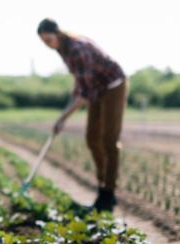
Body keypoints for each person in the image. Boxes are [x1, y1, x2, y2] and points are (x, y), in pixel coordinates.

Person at [37, 18, 126, 212]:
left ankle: (108, 194)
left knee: (109, 140)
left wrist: (63, 118)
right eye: (44, 42)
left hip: (113, 86)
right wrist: (63, 114)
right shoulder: (63, 50)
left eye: (49, 39)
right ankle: (102, 183)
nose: (47, 45)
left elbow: (84, 95)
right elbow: (80, 85)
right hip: (96, 89)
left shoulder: (78, 48)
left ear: (58, 33)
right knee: (92, 139)